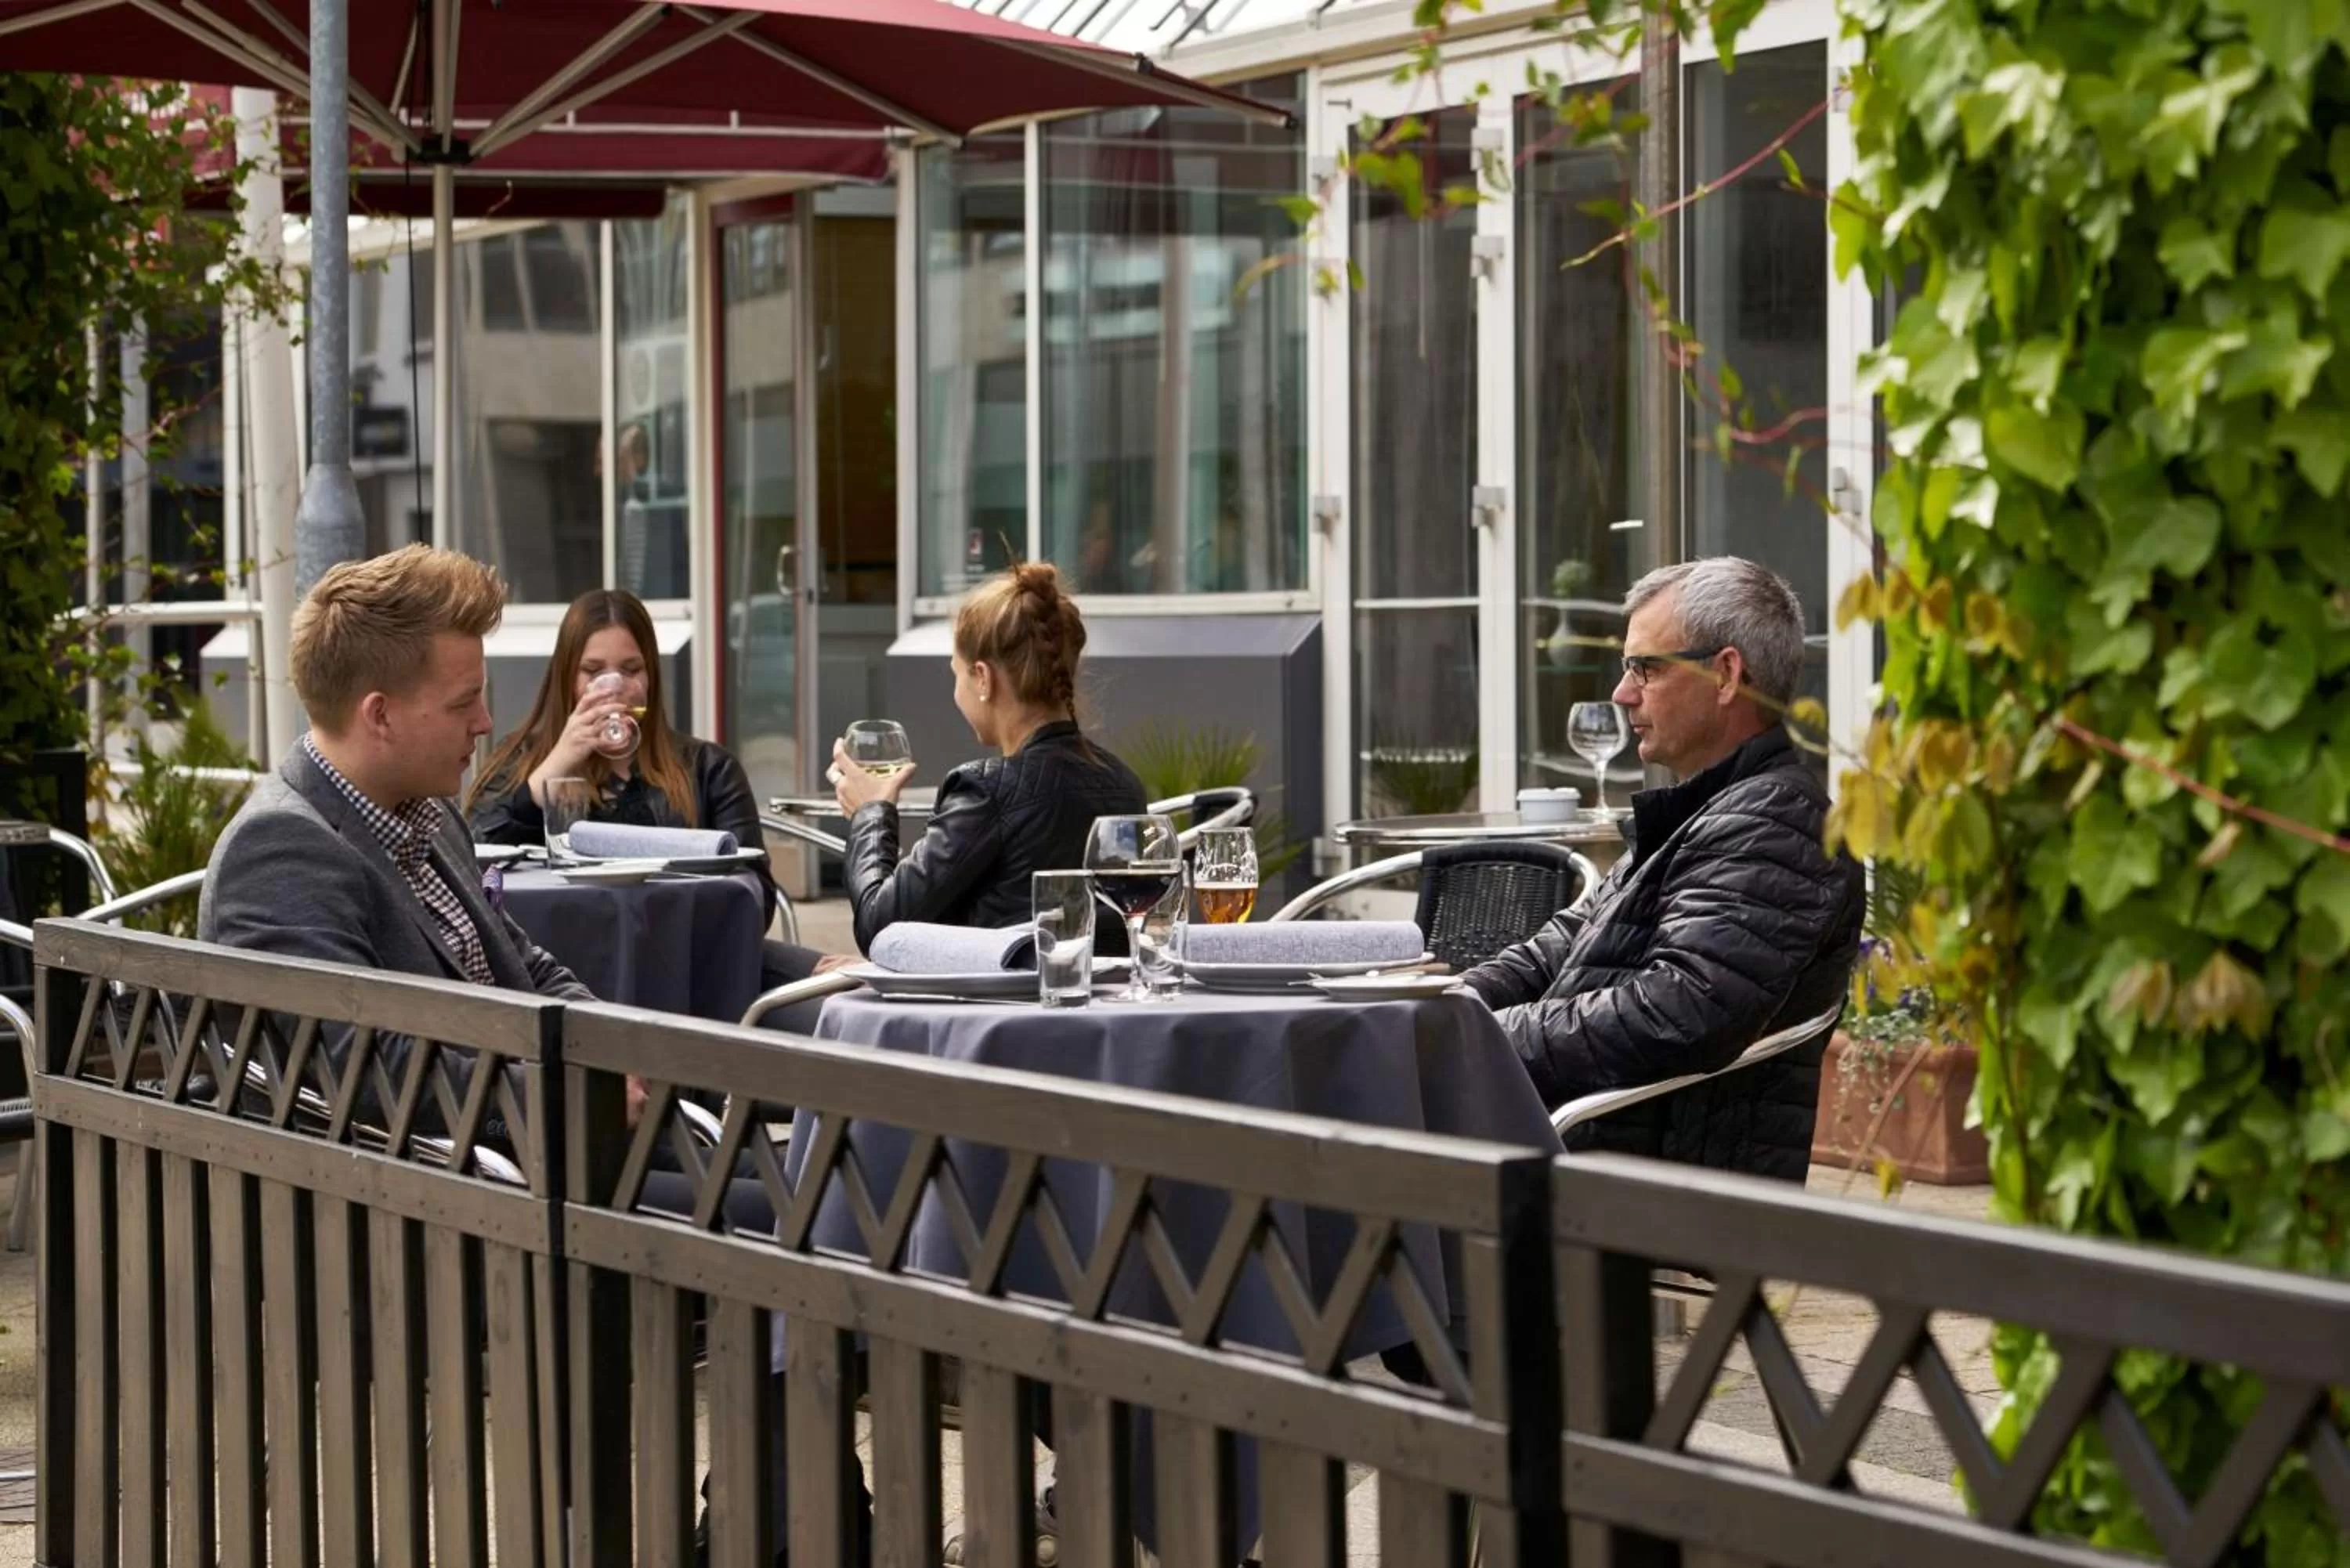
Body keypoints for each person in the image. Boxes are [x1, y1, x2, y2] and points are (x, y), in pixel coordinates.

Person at [1463, 557, 1865, 1183]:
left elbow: (1676, 1010)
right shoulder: (1707, 807)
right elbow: (1556, 951)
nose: (1623, 693)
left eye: (1645, 668)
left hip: (1647, 1178)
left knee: (1340, 1152)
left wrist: (1477, 1039)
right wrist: (1452, 1005)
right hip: (1587, 1143)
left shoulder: (1779, 823)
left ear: (1727, 674)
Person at [827, 561, 1148, 955]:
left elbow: (880, 927)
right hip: (1092, 1009)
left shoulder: (986, 791)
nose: (955, 690)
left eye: (956, 674)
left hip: (991, 1010)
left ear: (983, 678)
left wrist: (871, 815)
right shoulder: (1125, 787)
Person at [465, 587, 774, 920]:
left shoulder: (710, 769)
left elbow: (757, 895)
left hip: (677, 946)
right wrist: (557, 765)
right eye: (593, 671)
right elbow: (470, 861)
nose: (614, 687)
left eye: (630, 670)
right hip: (556, 948)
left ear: (651, 674)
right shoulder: (520, 756)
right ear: (567, 676)